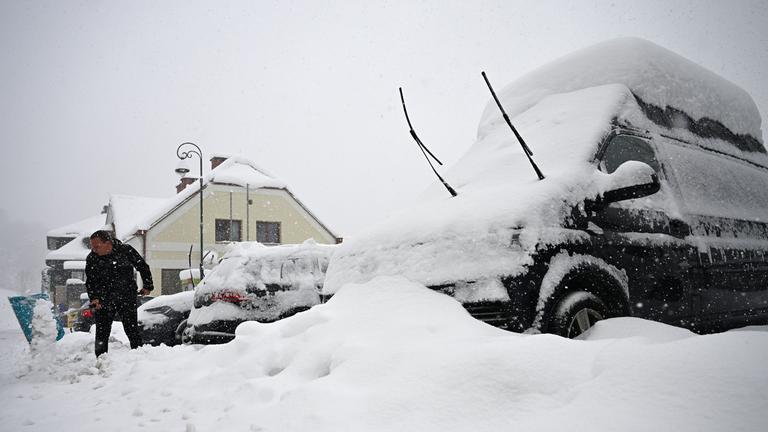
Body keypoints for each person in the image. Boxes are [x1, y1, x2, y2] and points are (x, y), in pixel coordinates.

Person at [85, 230, 154, 357]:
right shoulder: (92, 258)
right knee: (102, 332)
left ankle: (139, 357)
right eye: (92, 247)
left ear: (108, 243)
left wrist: (147, 286)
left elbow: (142, 266)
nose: (94, 250)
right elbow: (90, 281)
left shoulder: (125, 250)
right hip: (104, 299)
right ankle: (101, 359)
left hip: (126, 296)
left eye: (97, 246)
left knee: (131, 329)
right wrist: (94, 298)